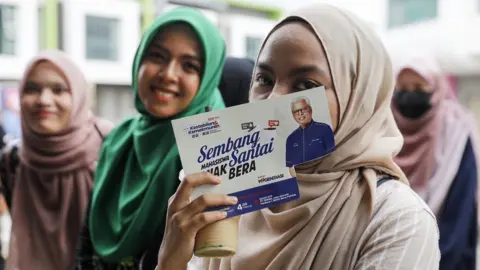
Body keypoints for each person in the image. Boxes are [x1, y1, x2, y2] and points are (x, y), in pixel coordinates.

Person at [157, 3, 440, 270]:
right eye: (264, 80)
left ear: (358, 98)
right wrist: (171, 260)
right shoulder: (232, 194)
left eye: (306, 84)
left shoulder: (397, 220)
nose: (274, 99)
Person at [75, 7, 226, 269]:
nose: (168, 74)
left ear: (207, 78)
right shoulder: (118, 140)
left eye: (189, 65)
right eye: (157, 56)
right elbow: (85, 247)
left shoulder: (216, 149)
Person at [0, 50, 113, 270]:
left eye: (59, 90)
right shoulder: (12, 161)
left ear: (79, 96)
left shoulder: (109, 146)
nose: (44, 100)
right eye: (32, 89)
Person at [392, 56, 479, 270]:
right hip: (392, 251)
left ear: (436, 89)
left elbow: (461, 210)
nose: (410, 94)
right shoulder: (385, 125)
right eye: (403, 88)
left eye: (420, 87)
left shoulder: (456, 129)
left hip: (448, 252)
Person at [285, 96, 335, 167]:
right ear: (293, 115)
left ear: (310, 110)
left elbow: (333, 158)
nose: (300, 113)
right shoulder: (290, 139)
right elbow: (290, 168)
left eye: (303, 109)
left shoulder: (324, 129)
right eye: (296, 111)